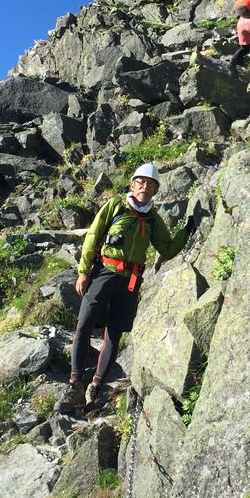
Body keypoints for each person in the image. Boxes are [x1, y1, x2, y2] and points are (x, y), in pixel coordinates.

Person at [58, 162, 197, 408]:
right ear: (132, 185)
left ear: (155, 191)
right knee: (84, 324)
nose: (145, 187)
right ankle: (75, 385)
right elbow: (92, 236)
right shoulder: (114, 206)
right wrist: (83, 272)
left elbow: (166, 249)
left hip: (130, 282)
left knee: (115, 332)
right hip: (103, 273)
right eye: (140, 182)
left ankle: (97, 386)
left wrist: (186, 230)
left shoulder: (153, 219)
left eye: (150, 184)